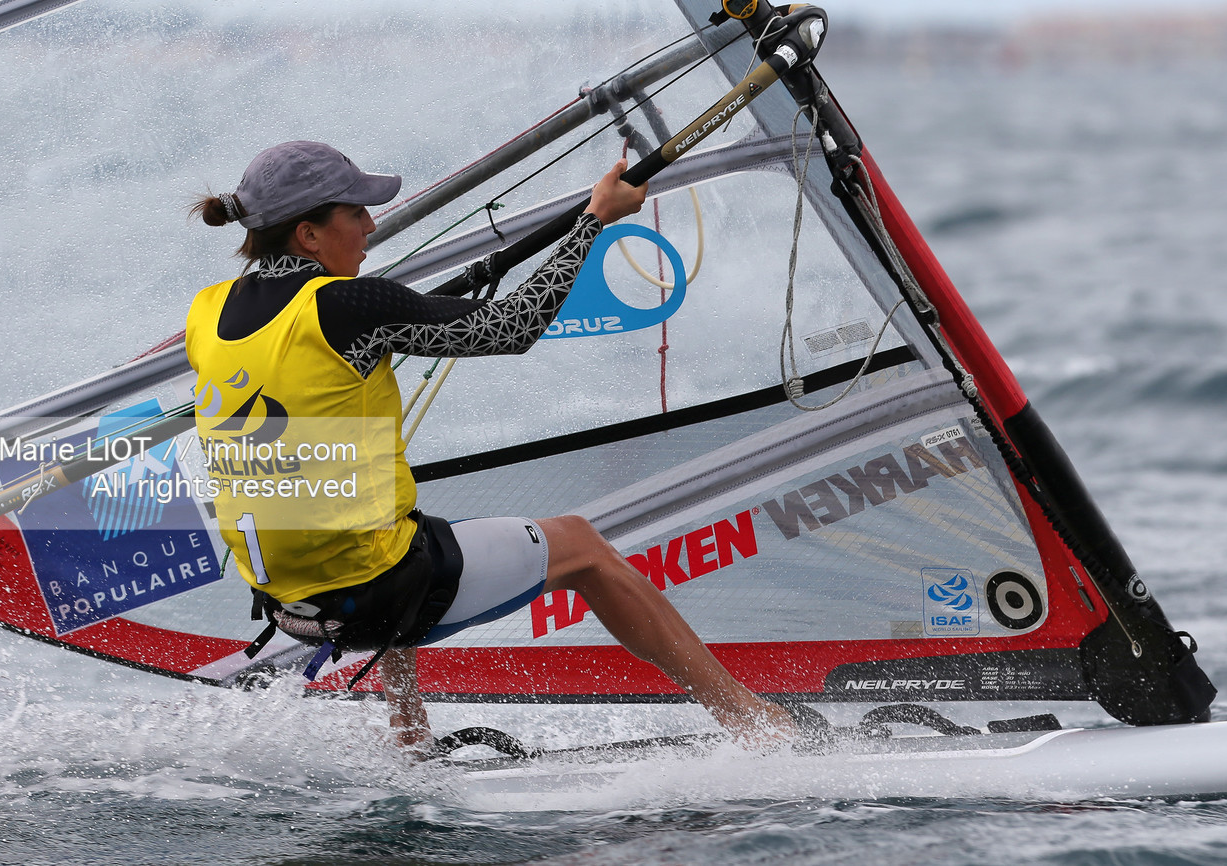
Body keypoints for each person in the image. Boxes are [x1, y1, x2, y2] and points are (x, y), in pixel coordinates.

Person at [185, 140, 794, 753]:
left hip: (289, 601)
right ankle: (752, 719)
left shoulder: (205, 313)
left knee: (393, 528)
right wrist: (594, 221)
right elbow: (514, 326)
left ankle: (410, 740)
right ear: (309, 235)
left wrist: (399, 322)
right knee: (581, 545)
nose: (372, 225)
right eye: (356, 214)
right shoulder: (349, 305)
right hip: (372, 593)